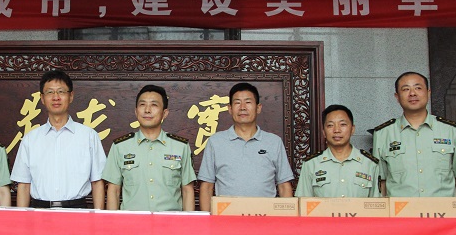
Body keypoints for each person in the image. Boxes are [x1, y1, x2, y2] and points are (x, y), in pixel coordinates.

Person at [11, 70, 106, 209]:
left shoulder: (89, 136)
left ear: (71, 96)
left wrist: (98, 217)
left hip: (77, 210)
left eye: (61, 91)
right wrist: (22, 218)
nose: (56, 97)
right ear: (42, 98)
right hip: (40, 211)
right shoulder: (30, 139)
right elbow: (24, 184)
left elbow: (97, 182)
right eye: (50, 92)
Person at [372, 71, 456, 197]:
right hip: (401, 209)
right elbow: (380, 183)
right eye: (406, 89)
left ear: (428, 93)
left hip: (442, 209)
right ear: (397, 97)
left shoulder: (450, 130)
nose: (412, 93)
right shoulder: (383, 134)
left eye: (418, 88)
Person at [197, 82, 294, 211]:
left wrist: (286, 218)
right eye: (237, 103)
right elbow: (207, 187)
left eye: (248, 102)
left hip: (266, 216)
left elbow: (284, 186)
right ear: (230, 108)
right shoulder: (215, 142)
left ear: (258, 108)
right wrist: (207, 219)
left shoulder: (274, 142)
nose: (242, 107)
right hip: (227, 216)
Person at [102, 85, 196, 211]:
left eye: (154, 105)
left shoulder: (180, 146)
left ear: (165, 113)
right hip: (132, 221)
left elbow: (187, 190)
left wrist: (189, 222)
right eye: (142, 105)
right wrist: (112, 222)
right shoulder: (120, 146)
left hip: (170, 221)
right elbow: (114, 190)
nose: (147, 110)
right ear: (136, 111)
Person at [295, 105, 380, 198]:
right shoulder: (311, 164)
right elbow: (303, 203)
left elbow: (377, 204)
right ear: (324, 132)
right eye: (330, 125)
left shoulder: (369, 164)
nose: (336, 130)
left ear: (352, 129)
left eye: (342, 124)